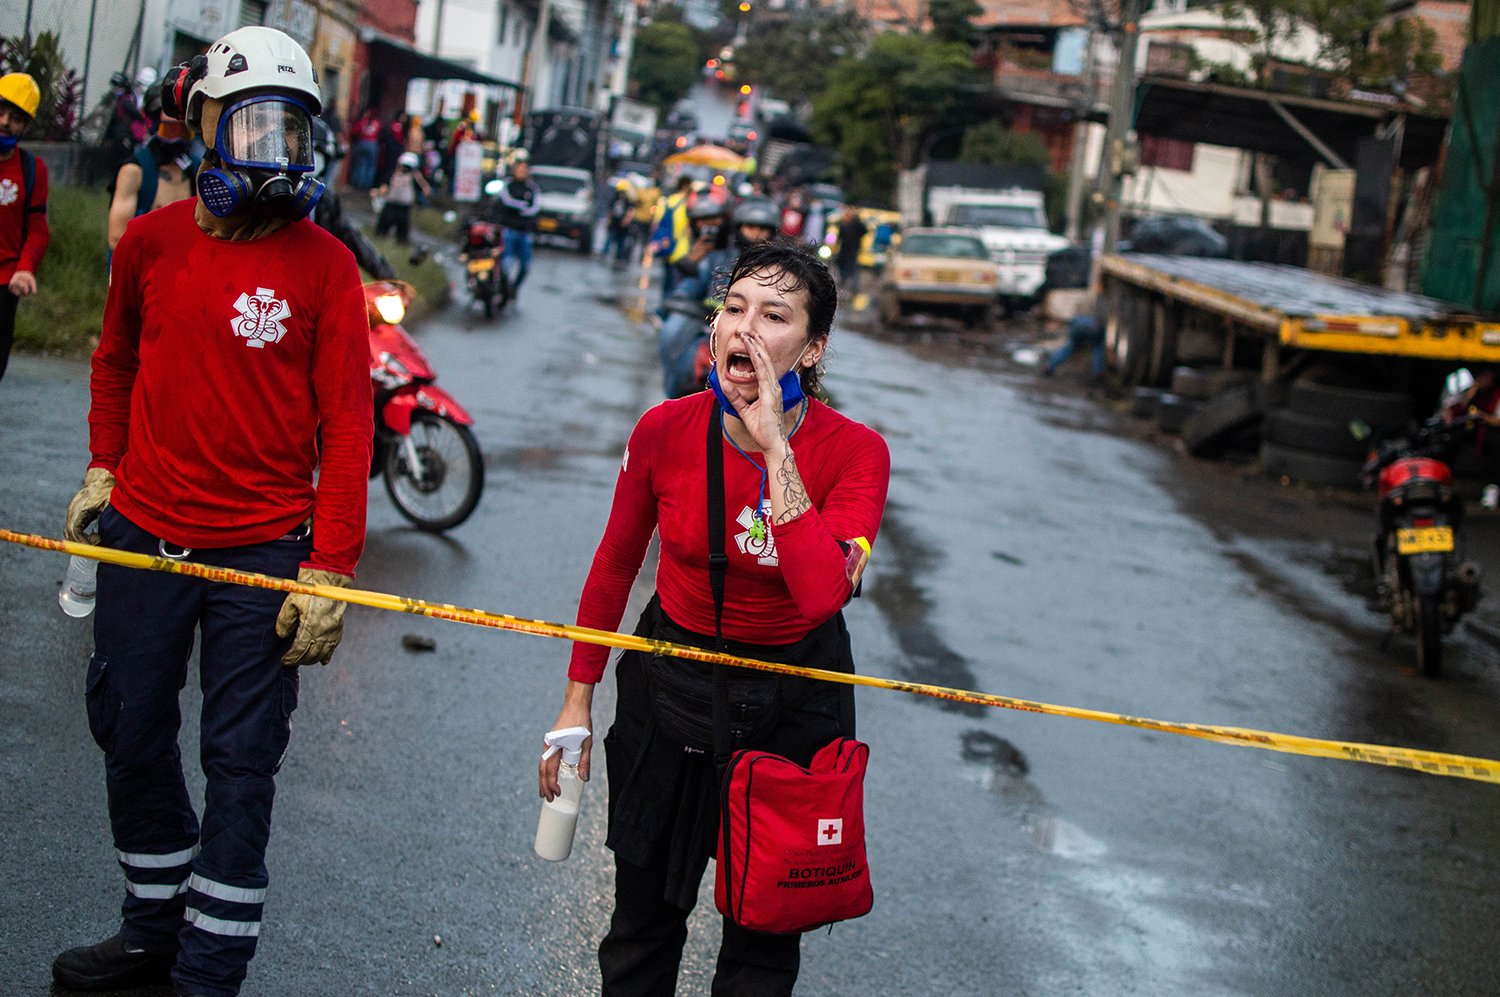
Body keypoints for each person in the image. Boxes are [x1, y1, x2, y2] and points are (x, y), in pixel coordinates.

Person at [51, 26, 373, 997]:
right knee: (129, 724)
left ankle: (208, 969)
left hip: (261, 555)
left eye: (291, 130)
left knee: (241, 761)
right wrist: (103, 468)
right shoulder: (148, 244)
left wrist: (330, 567)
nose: (275, 150)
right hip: (142, 535)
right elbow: (112, 363)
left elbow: (350, 423)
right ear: (201, 125)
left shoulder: (325, 266)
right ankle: (151, 927)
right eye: (253, 126)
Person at [539, 237, 890, 996]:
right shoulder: (663, 430)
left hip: (794, 709)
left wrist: (774, 449)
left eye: (774, 315)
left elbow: (822, 591)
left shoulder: (858, 453)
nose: (746, 329)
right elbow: (613, 565)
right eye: (733, 307)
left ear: (813, 346)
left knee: (761, 951)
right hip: (670, 694)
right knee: (640, 930)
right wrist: (576, 701)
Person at [658, 196, 779, 398]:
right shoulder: (717, 259)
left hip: (757, 334)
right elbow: (687, 291)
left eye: (763, 227)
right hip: (709, 328)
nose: (757, 233)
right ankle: (673, 400)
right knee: (671, 332)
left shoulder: (780, 270)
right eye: (751, 226)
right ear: (739, 227)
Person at [0, 72, 47, 384]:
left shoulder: (32, 169)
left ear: (25, 126)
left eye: (15, 118)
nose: (4, 122)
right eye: (0, 111)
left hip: (5, 285)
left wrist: (26, 267)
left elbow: (38, 228)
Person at [107, 113, 199, 256]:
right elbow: (117, 237)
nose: (178, 138)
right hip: (145, 265)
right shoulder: (134, 170)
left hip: (184, 266)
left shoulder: (197, 171)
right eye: (170, 130)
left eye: (185, 131)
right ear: (155, 127)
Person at [488, 148, 540, 300]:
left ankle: (514, 288)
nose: (521, 172)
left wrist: (521, 209)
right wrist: (521, 206)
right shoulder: (507, 184)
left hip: (525, 231)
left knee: (525, 266)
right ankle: (502, 288)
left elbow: (534, 208)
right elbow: (506, 201)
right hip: (508, 229)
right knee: (506, 262)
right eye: (519, 168)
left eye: (524, 169)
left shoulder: (532, 188)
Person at [1042, 297, 1107, 380]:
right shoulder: (1101, 304)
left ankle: (1049, 365)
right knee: (1098, 347)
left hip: (1077, 325)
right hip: (1094, 327)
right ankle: (1098, 372)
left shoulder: (1086, 304)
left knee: (1070, 347)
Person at [374, 150, 430, 245]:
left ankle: (401, 241)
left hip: (404, 205)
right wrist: (380, 192)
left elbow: (425, 188)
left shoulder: (415, 176)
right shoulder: (394, 173)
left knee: (402, 225)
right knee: (385, 221)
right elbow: (385, 185)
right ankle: (381, 235)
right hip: (391, 202)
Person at [833, 204, 867, 295]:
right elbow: (840, 236)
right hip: (845, 248)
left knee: (852, 267)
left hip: (853, 249)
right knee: (843, 266)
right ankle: (844, 283)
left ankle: (853, 287)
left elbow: (864, 230)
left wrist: (857, 218)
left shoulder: (856, 224)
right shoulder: (844, 223)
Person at [348, 107, 381, 189]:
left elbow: (355, 131)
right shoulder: (376, 123)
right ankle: (367, 184)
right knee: (371, 166)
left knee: (361, 163)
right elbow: (379, 133)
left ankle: (358, 182)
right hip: (372, 144)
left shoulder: (362, 122)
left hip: (362, 142)